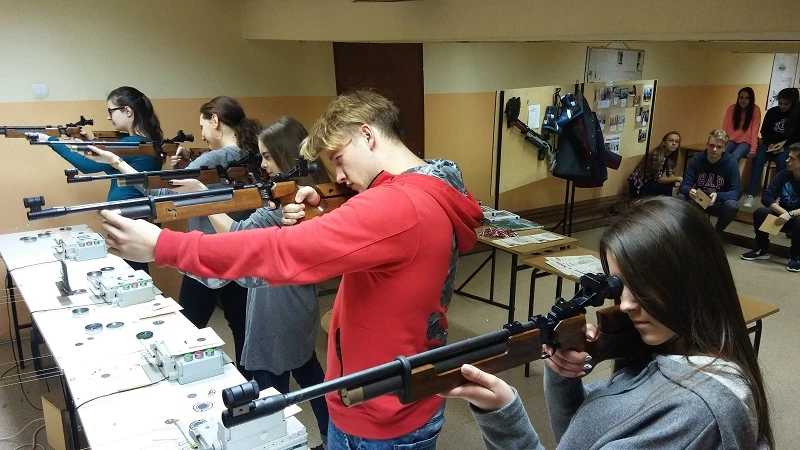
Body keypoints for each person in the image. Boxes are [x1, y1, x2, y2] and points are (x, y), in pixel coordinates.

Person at [97, 90, 484, 449]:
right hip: (395, 392)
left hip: (379, 416)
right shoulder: (429, 185)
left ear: (366, 136)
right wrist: (327, 206)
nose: (339, 177)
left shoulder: (397, 206)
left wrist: (164, 246)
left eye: (338, 159)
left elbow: (282, 251)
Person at [441, 196, 773, 449]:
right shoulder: (667, 352)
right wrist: (563, 375)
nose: (625, 304)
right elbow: (579, 436)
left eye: (642, 285)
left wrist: (503, 413)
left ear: (690, 281)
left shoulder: (693, 414)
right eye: (619, 285)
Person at [168, 117, 331, 449]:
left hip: (276, 305)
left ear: (286, 156)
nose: (263, 164)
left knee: (270, 389)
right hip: (297, 301)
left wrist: (202, 195)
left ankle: (280, 441)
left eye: (268, 157)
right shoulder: (301, 195)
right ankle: (331, 438)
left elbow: (236, 236)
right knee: (307, 368)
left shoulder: (288, 203)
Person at [86, 95, 262, 379]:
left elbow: (160, 193)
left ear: (216, 122)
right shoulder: (253, 155)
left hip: (205, 259)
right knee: (242, 332)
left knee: (185, 332)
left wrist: (117, 162)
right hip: (239, 259)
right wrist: (188, 165)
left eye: (203, 126)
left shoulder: (212, 159)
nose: (202, 134)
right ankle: (247, 389)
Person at [35, 86, 163, 273]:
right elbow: (108, 163)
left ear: (128, 111)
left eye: (111, 111)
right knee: (134, 272)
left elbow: (88, 166)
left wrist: (50, 141)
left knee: (131, 273)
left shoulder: (131, 144)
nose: (109, 117)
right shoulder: (145, 141)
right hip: (134, 215)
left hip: (128, 216)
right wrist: (87, 143)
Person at [741, 142, 800, 272]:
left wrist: (790, 214)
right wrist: (784, 213)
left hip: (796, 217)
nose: (787, 160)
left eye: (792, 158)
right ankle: (761, 248)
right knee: (761, 213)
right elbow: (767, 197)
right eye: (788, 157)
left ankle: (795, 256)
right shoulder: (784, 174)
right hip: (783, 216)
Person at [744, 87, 800, 207]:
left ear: (793, 103)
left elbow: (797, 137)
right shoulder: (772, 112)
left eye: (786, 104)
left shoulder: (797, 115)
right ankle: (751, 194)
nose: (782, 106)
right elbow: (764, 131)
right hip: (769, 145)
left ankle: (778, 196)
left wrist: (783, 146)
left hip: (786, 146)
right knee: (758, 158)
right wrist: (770, 143)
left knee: (784, 161)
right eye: (780, 103)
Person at [678, 129, 741, 233]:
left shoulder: (731, 162)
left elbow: (736, 192)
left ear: (725, 148)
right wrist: (689, 191)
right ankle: (683, 231)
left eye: (719, 147)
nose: (714, 149)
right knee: (680, 197)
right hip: (699, 199)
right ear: (707, 145)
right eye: (711, 145)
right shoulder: (696, 159)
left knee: (732, 205)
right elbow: (684, 186)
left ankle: (717, 232)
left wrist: (718, 195)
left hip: (718, 202)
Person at [627, 131, 682, 197]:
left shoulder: (671, 155)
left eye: (677, 141)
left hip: (650, 181)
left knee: (672, 184)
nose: (674, 143)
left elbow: (670, 173)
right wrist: (678, 179)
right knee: (669, 189)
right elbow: (658, 179)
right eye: (671, 140)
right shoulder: (657, 155)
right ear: (664, 142)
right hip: (639, 185)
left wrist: (677, 181)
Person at [722, 87, 761, 162]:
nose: (743, 100)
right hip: (731, 140)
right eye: (741, 97)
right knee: (721, 154)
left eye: (747, 98)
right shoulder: (731, 109)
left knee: (735, 156)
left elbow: (754, 132)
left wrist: (753, 150)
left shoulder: (755, 110)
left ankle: (730, 170)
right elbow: (724, 127)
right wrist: (721, 143)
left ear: (751, 99)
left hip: (746, 143)